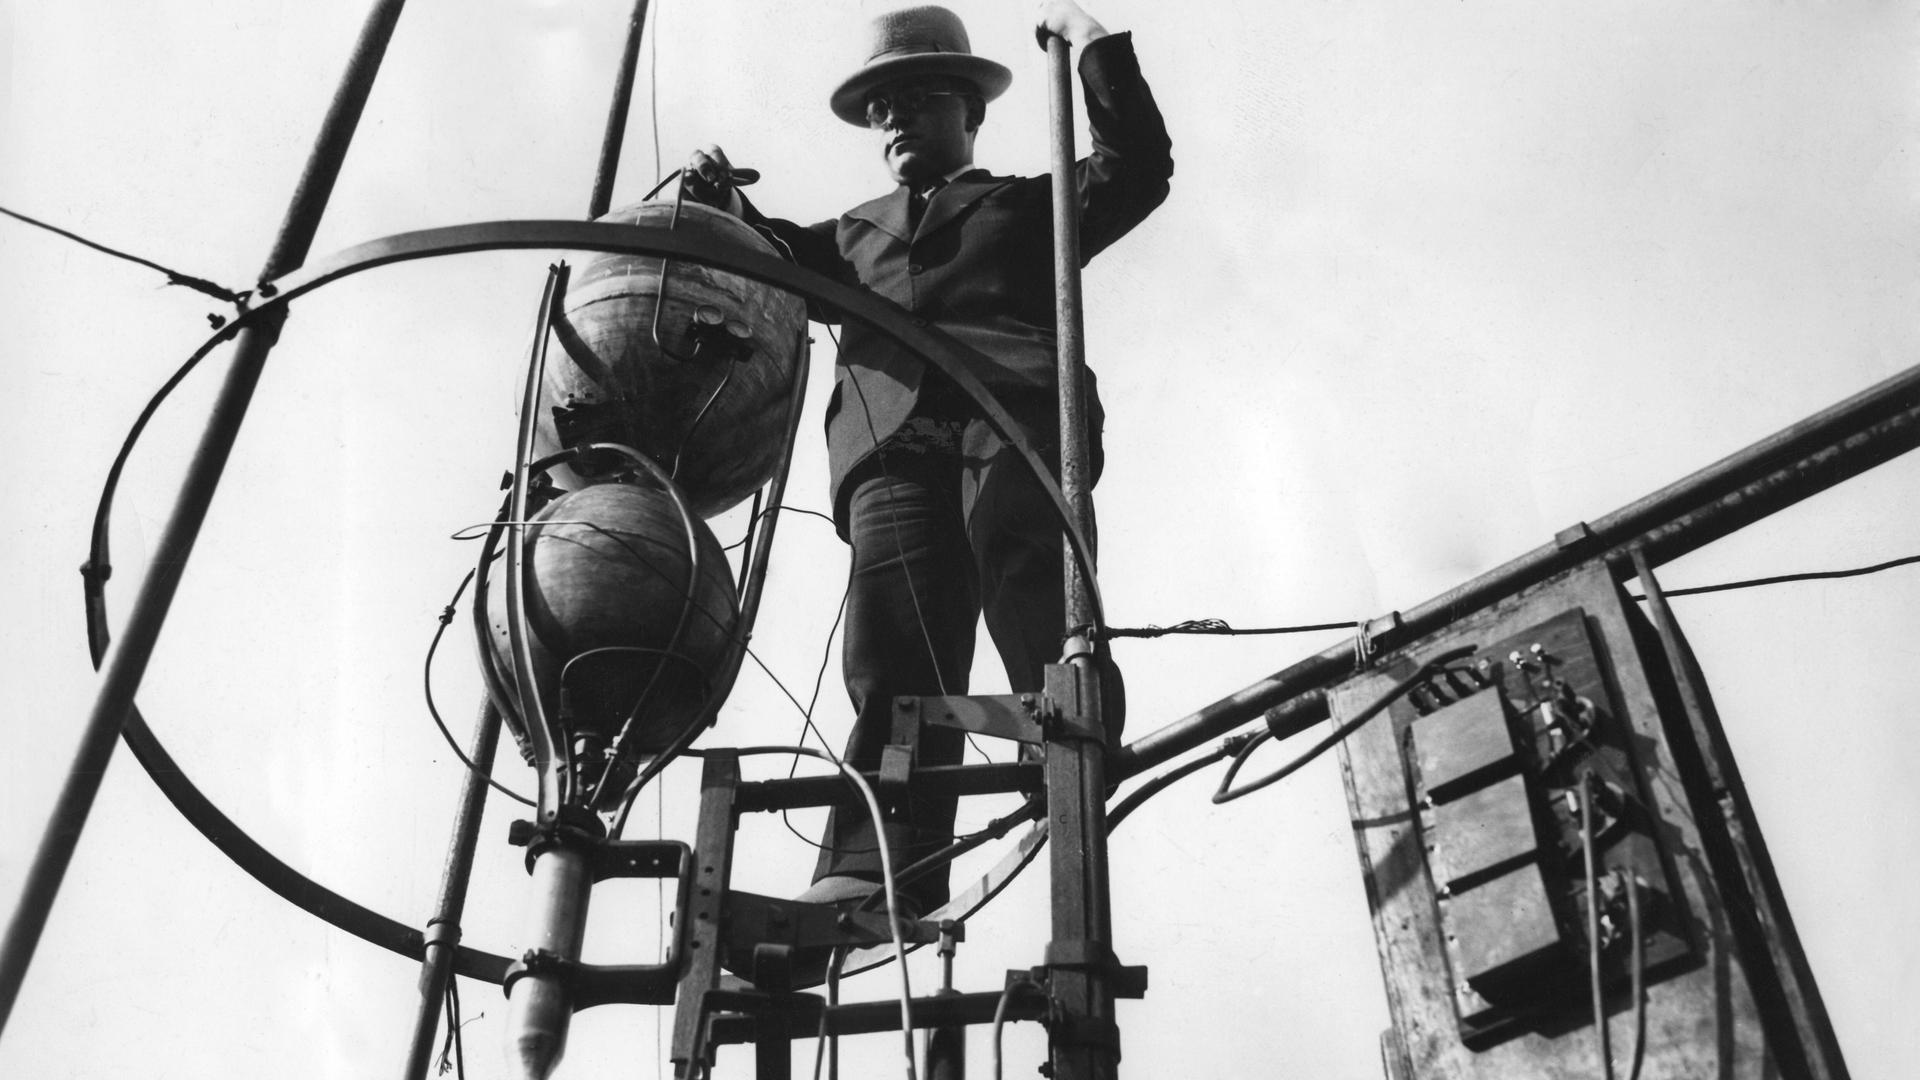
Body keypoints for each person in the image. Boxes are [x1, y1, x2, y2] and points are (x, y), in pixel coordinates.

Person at [683, 0, 1171, 916]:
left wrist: (1093, 45)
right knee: (892, 653)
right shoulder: (850, 237)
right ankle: (879, 871)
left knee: (1027, 570)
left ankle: (1067, 755)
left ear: (969, 112)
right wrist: (719, 204)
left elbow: (1137, 168)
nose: (895, 120)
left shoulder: (1026, 205)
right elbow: (765, 251)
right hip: (892, 447)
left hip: (1008, 421)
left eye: (917, 99)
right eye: (881, 109)